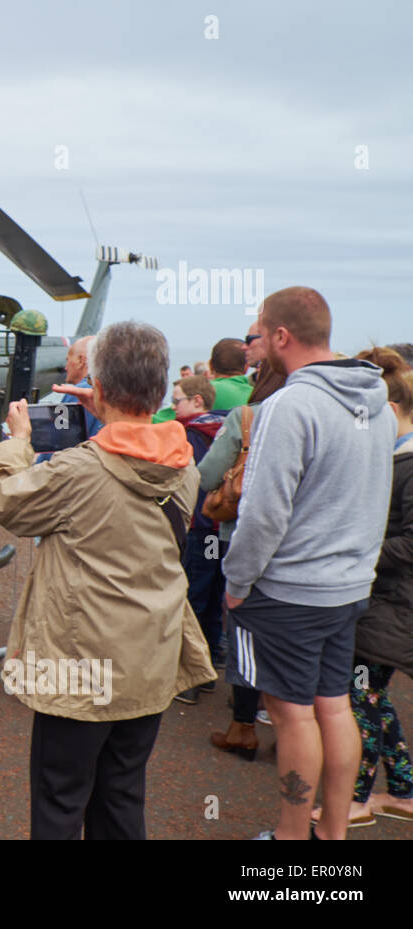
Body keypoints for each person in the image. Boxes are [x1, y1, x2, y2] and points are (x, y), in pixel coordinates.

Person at [0, 321, 215, 840]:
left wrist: (17, 442)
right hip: (150, 657)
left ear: (100, 388)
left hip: (81, 666)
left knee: (60, 800)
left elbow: (1, 499)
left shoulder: (75, 471)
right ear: (158, 392)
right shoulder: (184, 466)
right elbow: (139, 445)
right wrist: (113, 411)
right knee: (122, 795)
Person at [223, 287, 395, 841]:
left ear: (281, 336)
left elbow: (263, 512)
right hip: (347, 586)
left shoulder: (290, 405)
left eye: (259, 332)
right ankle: (334, 834)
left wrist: (236, 580)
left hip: (291, 590)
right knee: (335, 707)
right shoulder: (379, 403)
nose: (254, 346)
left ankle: (293, 843)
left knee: (296, 715)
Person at [318, 346, 413, 827]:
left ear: (389, 410)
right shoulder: (397, 459)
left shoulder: (408, 464)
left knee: (362, 702)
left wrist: (359, 550)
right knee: (373, 696)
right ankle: (403, 791)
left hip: (390, 606)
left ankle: (354, 801)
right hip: (384, 605)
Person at [197, 364, 288, 759]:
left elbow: (207, 474)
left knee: (246, 634)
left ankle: (244, 725)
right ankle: (288, 727)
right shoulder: (325, 415)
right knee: (289, 641)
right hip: (300, 549)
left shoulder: (247, 417)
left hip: (241, 537)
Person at [170, 375, 227, 705]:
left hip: (201, 525)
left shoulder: (188, 435)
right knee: (214, 594)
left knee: (193, 597)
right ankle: (207, 666)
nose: (173, 406)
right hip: (222, 526)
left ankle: (188, 677)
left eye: (177, 399)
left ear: (197, 402)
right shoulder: (224, 428)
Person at [155, 339, 251, 422]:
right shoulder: (256, 395)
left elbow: (155, 420)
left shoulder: (205, 391)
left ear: (210, 365)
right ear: (247, 366)